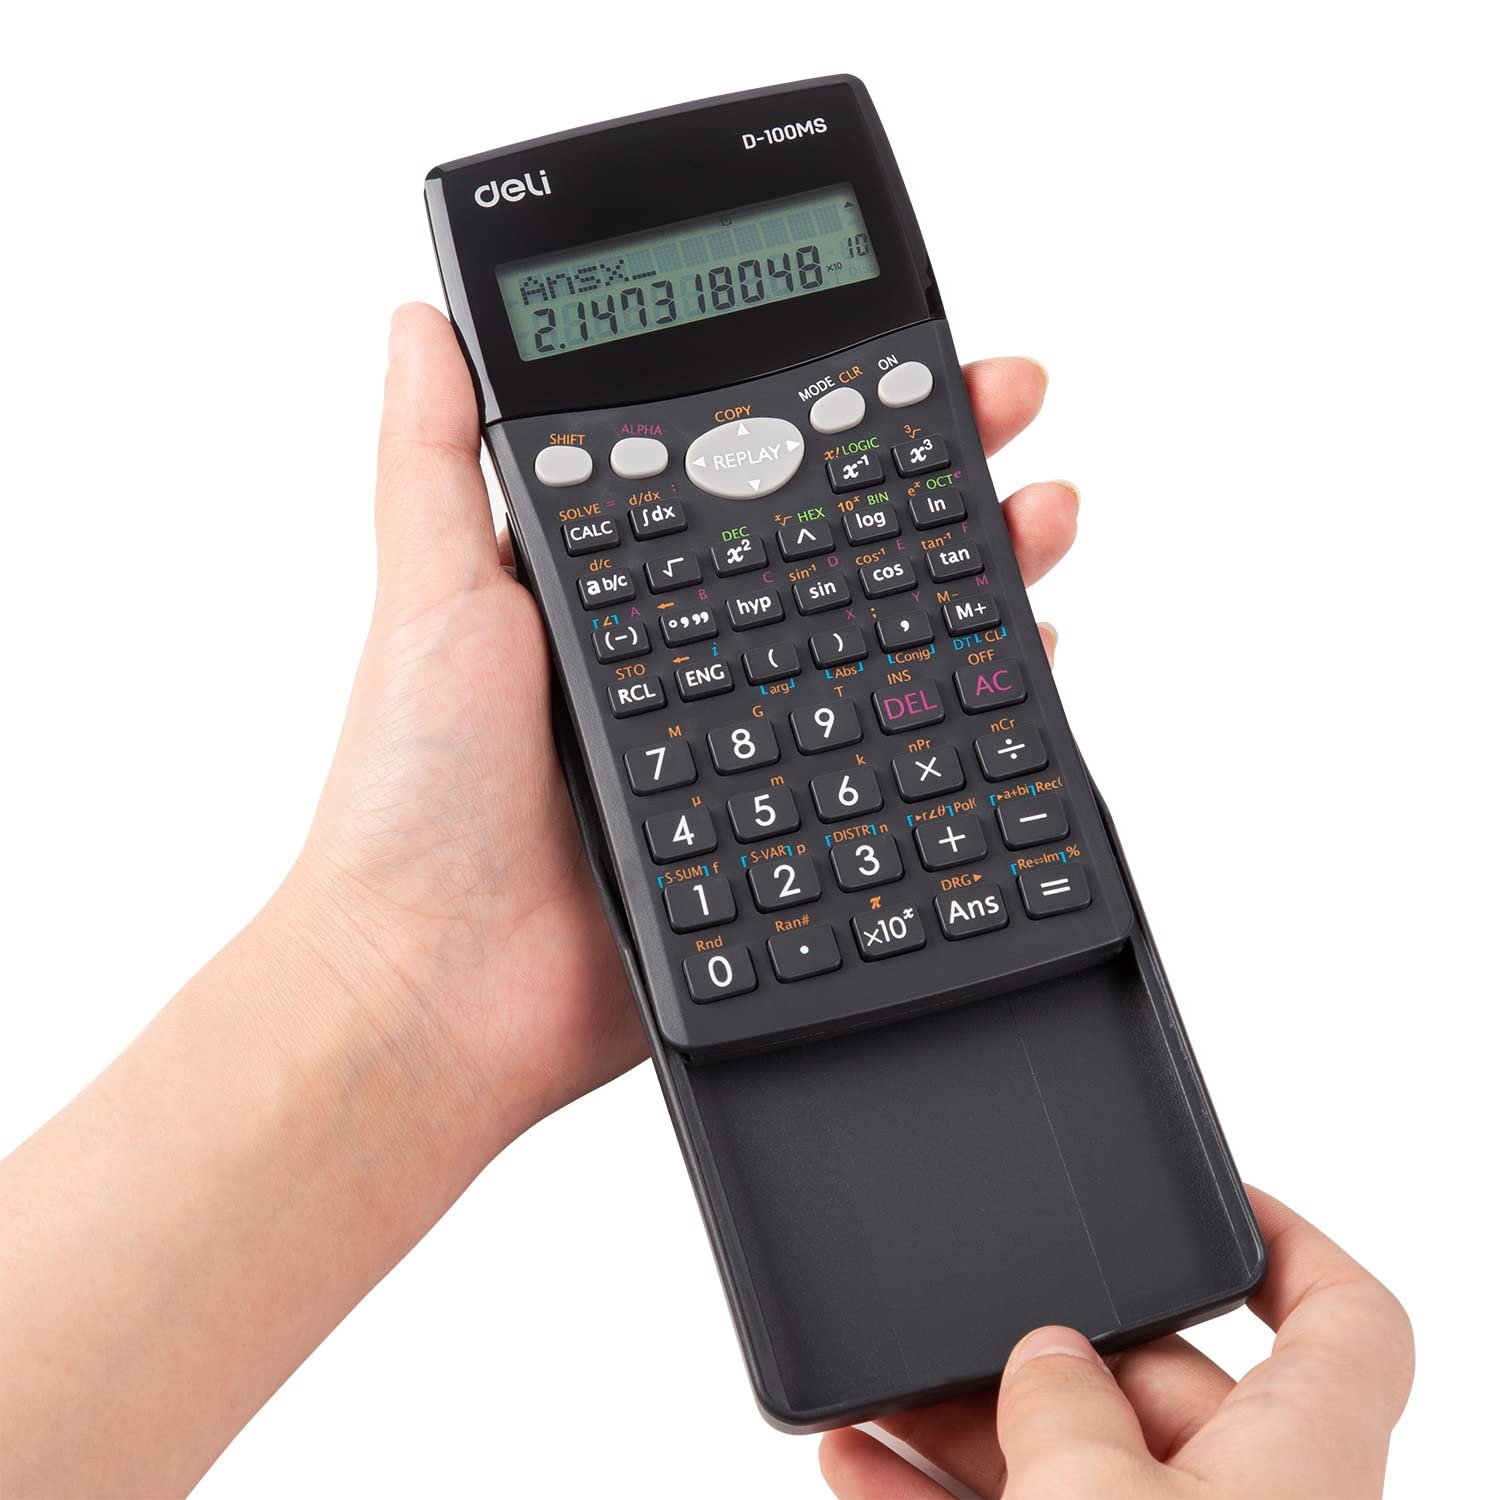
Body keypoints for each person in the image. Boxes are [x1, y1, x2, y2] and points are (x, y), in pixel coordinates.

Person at [0, 305, 1413, 1499]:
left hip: (1014, 946)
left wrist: (401, 994)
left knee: (971, 721)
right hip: (771, 952)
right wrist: (405, 985)